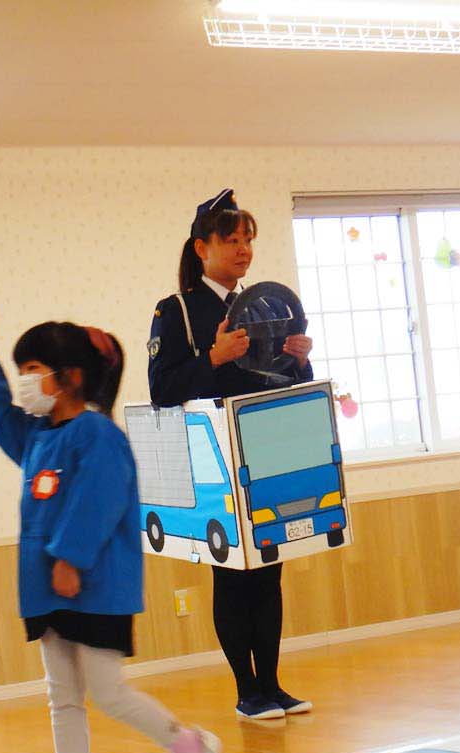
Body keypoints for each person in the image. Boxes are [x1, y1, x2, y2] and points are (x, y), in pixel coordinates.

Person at [0, 300, 220, 753]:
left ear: (71, 377)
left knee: (108, 692)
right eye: (20, 371)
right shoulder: (36, 437)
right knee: (61, 695)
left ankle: (191, 747)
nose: (24, 382)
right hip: (48, 588)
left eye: (32, 370)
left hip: (95, 587)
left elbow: (98, 500)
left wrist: (70, 559)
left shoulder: (99, 435)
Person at [146, 188, 316, 723]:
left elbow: (280, 382)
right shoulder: (175, 311)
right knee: (232, 574)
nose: (244, 250)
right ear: (202, 248)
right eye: (232, 240)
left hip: (265, 450)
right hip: (212, 460)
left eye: (248, 240)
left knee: (268, 569)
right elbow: (161, 391)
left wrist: (300, 362)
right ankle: (247, 691)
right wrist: (214, 357)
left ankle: (273, 685)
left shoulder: (265, 305)